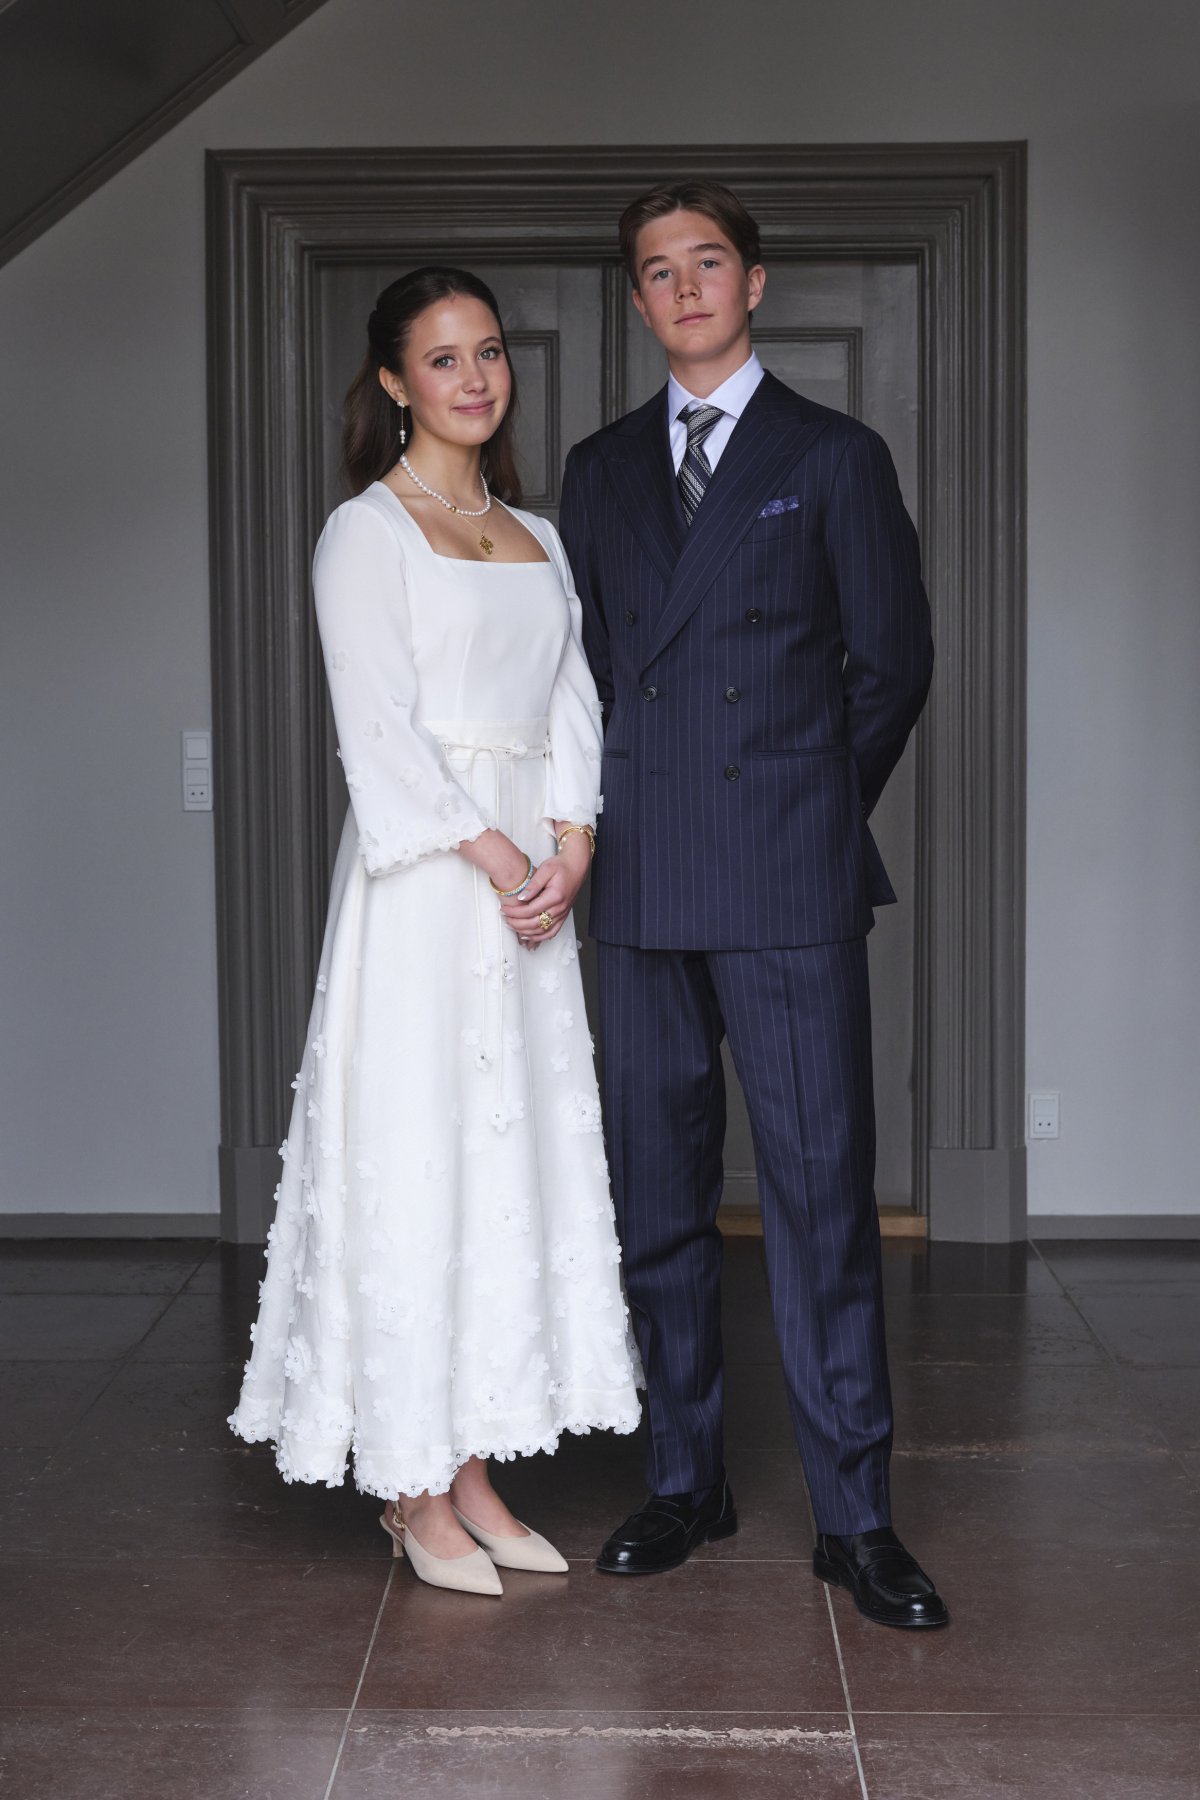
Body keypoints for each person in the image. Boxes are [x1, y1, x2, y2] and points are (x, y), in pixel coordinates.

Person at [558, 181, 947, 1628]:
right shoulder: (597, 473)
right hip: (644, 882)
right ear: (641, 302)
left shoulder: (833, 454)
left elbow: (892, 663)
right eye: (657, 272)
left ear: (756, 282)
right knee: (658, 1201)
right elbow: (582, 677)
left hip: (787, 880)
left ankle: (854, 1520)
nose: (685, 287)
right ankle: (685, 1479)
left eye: (706, 262)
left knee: (821, 1203)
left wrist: (795, 802)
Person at [228, 266, 640, 1597]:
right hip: (428, 885)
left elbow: (575, 694)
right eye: (444, 359)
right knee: (416, 1156)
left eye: (489, 354)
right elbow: (379, 728)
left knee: (498, 1164)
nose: (476, 378)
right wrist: (499, 848)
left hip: (531, 893)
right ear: (396, 383)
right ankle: (408, 1485)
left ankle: (469, 1468)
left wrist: (572, 846)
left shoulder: (538, 532)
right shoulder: (366, 531)